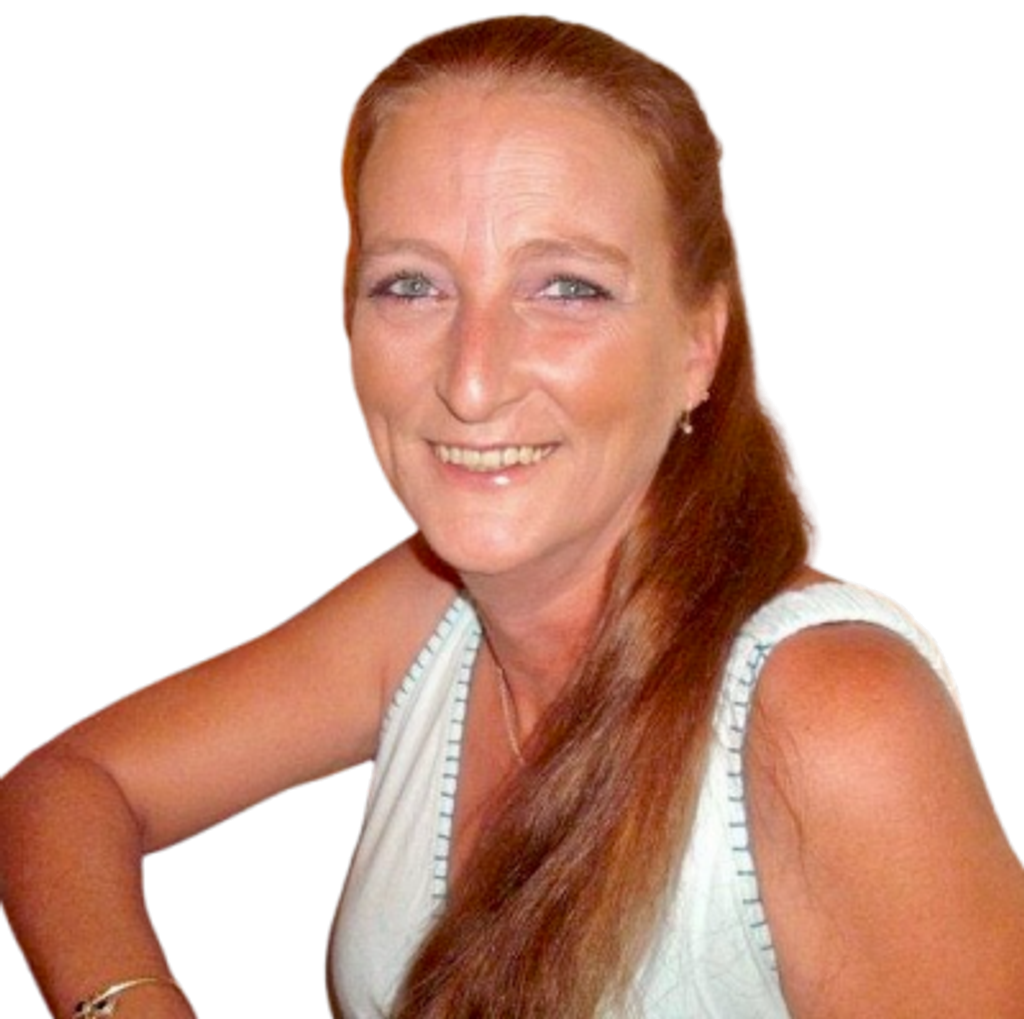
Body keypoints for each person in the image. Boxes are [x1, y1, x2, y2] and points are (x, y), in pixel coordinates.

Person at [2, 14, 1021, 1019]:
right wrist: (129, 1001)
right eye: (412, 285)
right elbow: (65, 785)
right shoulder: (428, 611)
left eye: (567, 288)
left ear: (697, 345)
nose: (472, 381)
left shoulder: (830, 715)